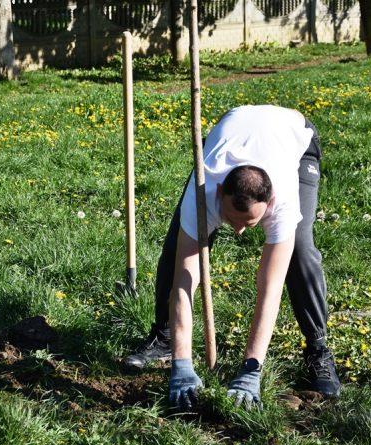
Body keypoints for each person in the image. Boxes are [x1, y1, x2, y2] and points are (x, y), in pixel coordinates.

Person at [122, 104, 341, 409]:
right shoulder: (205, 189)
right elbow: (185, 282)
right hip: (232, 128)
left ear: (271, 201)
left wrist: (251, 369)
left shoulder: (283, 203)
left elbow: (270, 288)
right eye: (231, 219)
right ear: (220, 192)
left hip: (295, 138)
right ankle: (166, 340)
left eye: (248, 223)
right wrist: (183, 365)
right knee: (176, 249)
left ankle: (318, 351)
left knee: (300, 251)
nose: (238, 232)